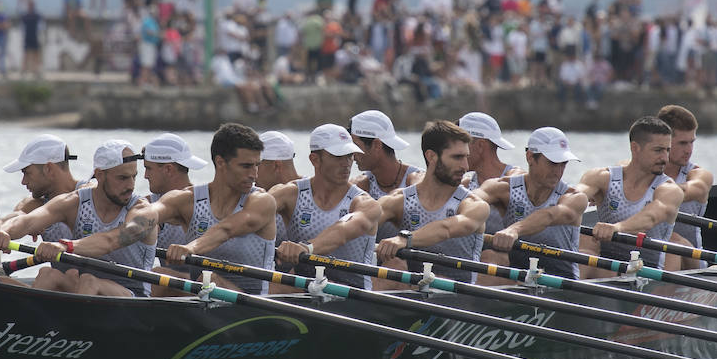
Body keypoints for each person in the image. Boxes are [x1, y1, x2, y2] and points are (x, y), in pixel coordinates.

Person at [0, 140, 157, 296]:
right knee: (48, 274)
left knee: (89, 281)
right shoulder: (75, 201)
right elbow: (28, 221)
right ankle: (31, 325)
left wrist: (65, 246)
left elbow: (111, 241)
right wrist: (1, 231)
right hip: (86, 290)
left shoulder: (143, 212)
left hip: (132, 293)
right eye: (122, 178)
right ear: (99, 175)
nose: (131, 186)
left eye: (133, 176)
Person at [154, 123, 277, 294]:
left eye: (257, 165)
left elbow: (225, 230)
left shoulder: (262, 201)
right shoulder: (187, 199)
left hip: (249, 305)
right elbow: (149, 215)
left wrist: (190, 248)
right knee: (157, 276)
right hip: (203, 298)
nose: (254, 174)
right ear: (220, 162)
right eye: (246, 166)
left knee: (211, 280)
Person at [374, 120, 489, 285]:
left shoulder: (474, 205)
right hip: (414, 291)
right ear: (431, 156)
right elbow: (362, 223)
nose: (465, 166)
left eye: (466, 157)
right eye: (457, 157)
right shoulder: (398, 200)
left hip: (459, 295)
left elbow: (445, 229)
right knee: (392, 265)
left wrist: (404, 239)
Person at [271, 124, 381, 290]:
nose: (347, 163)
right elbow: (251, 214)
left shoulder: (365, 204)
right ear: (314, 159)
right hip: (304, 290)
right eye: (338, 157)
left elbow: (342, 232)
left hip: (352, 296)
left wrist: (306, 248)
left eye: (349, 155)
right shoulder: (289, 194)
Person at [579, 116, 685, 279]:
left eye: (667, 150)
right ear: (635, 148)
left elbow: (649, 217)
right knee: (583, 256)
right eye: (658, 150)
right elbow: (573, 197)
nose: (665, 158)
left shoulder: (669, 189)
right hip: (610, 268)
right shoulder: (602, 178)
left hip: (648, 273)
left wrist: (617, 228)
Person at [478, 127, 588, 281]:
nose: (558, 171)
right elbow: (470, 201)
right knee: (490, 256)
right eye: (552, 163)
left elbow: (548, 216)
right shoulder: (503, 188)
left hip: (561, 281)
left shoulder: (574, 197)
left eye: (563, 164)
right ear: (530, 157)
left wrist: (514, 230)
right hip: (518, 277)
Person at [658, 104, 714, 271]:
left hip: (691, 263)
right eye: (682, 143)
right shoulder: (641, 171)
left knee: (671, 242)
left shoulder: (698, 175)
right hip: (648, 254)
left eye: (692, 142)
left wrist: (650, 192)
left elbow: (697, 188)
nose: (689, 150)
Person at [0, 134, 83, 242]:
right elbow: (11, 219)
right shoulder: (34, 206)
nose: (23, 182)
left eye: (27, 173)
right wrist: (0, 231)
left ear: (49, 169)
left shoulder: (93, 194)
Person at [458, 112, 524, 236]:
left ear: (480, 146)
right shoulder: (466, 184)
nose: (457, 150)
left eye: (461, 144)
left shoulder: (515, 179)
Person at [140, 132, 209, 250]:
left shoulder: (209, 205)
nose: (145, 176)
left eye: (148, 168)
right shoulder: (147, 204)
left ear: (168, 169)